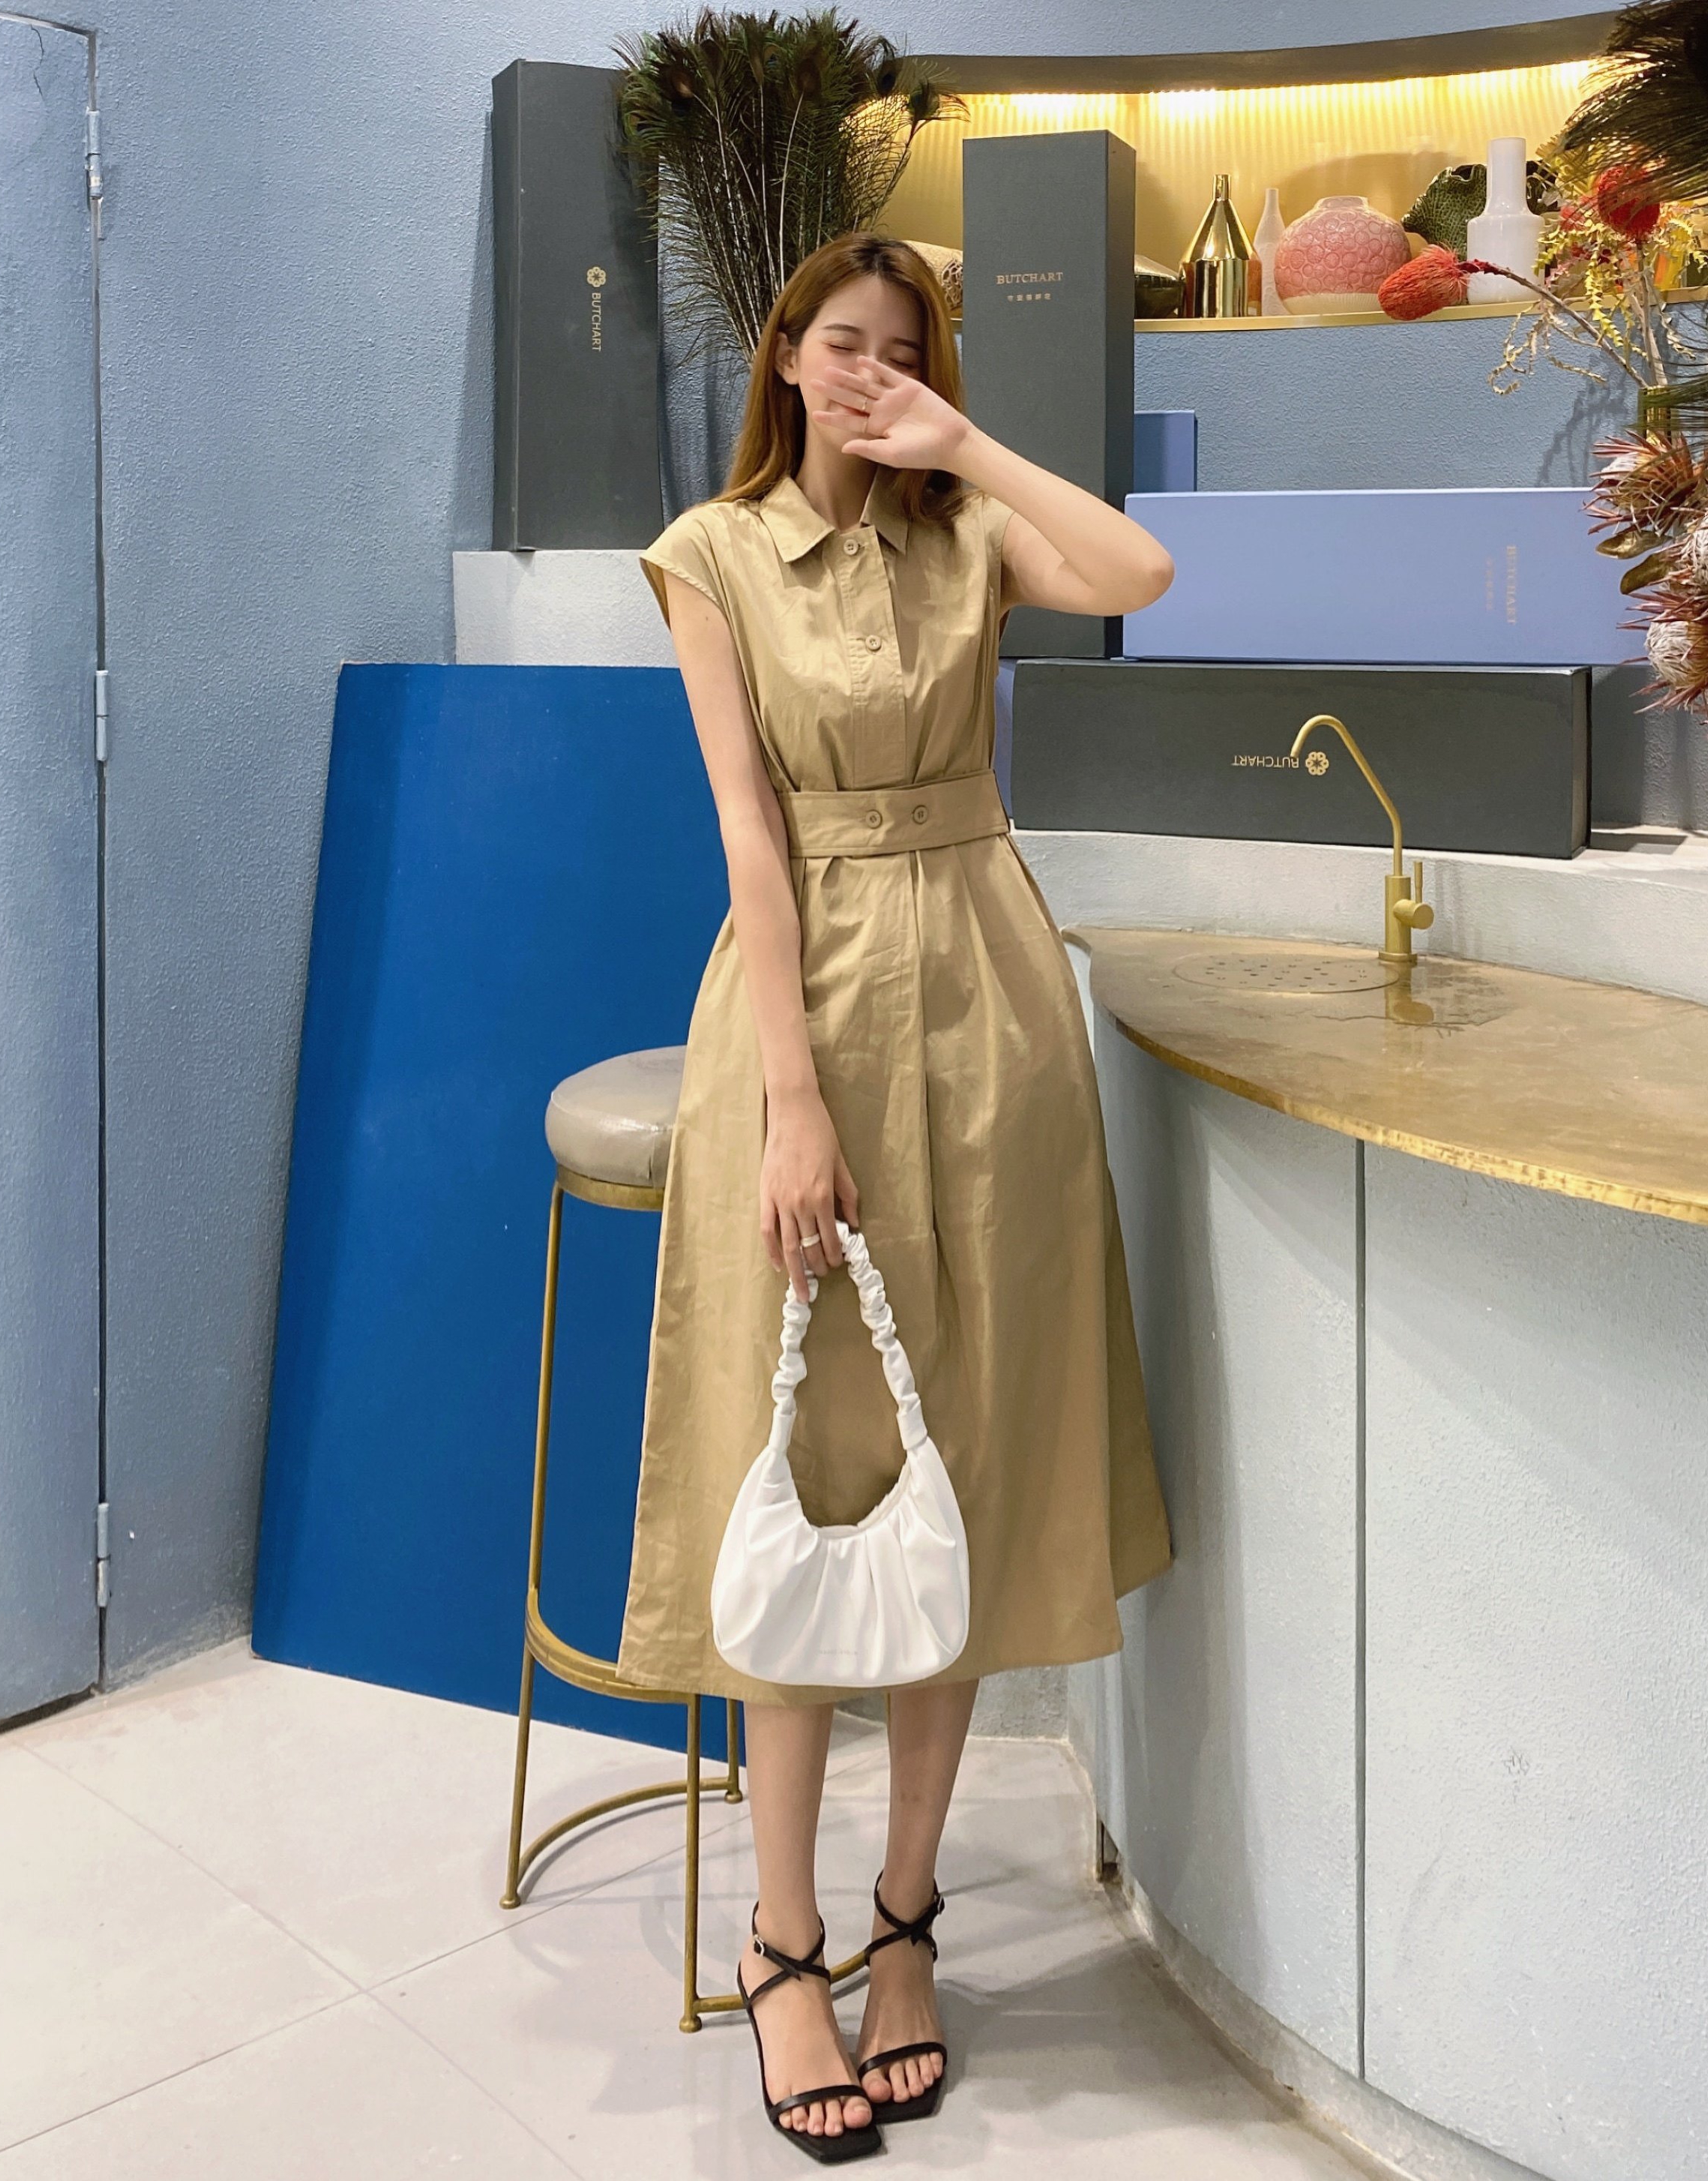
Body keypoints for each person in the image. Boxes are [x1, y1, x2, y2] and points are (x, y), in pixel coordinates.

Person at [621, 230, 1174, 2161]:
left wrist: (969, 443)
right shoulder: (712, 553)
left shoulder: (968, 530)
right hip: (810, 1006)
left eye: (902, 351)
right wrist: (792, 1102)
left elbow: (1139, 573)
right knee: (802, 1464)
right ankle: (783, 1944)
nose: (868, 374)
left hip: (994, 1002)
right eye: (841, 345)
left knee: (964, 1459)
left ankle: (907, 1924)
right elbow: (748, 833)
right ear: (784, 356)